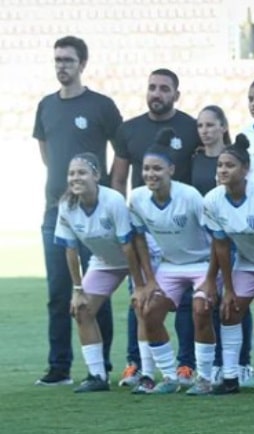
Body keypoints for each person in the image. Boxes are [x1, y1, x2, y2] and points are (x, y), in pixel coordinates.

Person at [33, 35, 120, 386]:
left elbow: (121, 150)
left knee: (97, 292)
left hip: (95, 214)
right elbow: (46, 153)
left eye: (68, 60)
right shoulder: (46, 105)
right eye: (57, 60)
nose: (62, 66)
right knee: (58, 293)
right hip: (56, 211)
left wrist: (108, 193)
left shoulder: (101, 106)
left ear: (82, 64)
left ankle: (101, 367)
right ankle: (59, 368)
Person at [111, 68, 199, 388]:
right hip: (144, 227)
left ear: (176, 94)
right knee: (139, 296)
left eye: (164, 88)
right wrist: (121, 221)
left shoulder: (191, 127)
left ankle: (186, 364)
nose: (157, 93)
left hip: (181, 228)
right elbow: (118, 178)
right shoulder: (129, 129)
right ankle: (136, 364)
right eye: (152, 87)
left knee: (186, 301)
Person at [127, 129, 215, 395]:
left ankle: (205, 378)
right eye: (146, 169)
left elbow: (217, 237)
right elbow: (139, 240)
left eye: (157, 169)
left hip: (203, 262)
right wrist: (148, 281)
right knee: (148, 311)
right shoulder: (137, 198)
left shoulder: (190, 196)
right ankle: (169, 376)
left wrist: (212, 279)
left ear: (171, 170)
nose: (151, 174)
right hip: (170, 265)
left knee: (200, 309)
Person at [202, 134, 254, 395]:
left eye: (230, 165)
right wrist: (227, 289)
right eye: (220, 165)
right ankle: (230, 378)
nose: (223, 170)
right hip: (248, 262)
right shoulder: (213, 200)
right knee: (229, 310)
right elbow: (221, 246)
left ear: (245, 169)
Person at [55, 153, 142, 392]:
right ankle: (97, 376)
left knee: (144, 307)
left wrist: (140, 285)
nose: (75, 177)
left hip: (137, 258)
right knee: (82, 309)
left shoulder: (113, 200)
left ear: (96, 175)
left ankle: (145, 372)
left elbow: (128, 245)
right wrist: (77, 290)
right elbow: (70, 250)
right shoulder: (66, 206)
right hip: (105, 262)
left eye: (82, 172)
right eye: (71, 173)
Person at [191, 105, 254, 385]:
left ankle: (241, 362)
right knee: (208, 301)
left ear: (223, 127)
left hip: (234, 235)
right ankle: (214, 364)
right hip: (207, 236)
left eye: (210, 124)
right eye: (200, 125)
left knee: (236, 300)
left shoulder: (234, 157)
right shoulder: (195, 159)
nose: (204, 131)